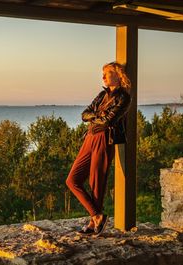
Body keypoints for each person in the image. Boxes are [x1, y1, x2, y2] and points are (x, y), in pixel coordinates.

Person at [65, 62, 131, 236]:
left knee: (97, 183)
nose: (103, 77)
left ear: (118, 75)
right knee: (72, 180)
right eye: (103, 73)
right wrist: (97, 116)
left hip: (104, 139)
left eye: (107, 73)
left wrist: (96, 117)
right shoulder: (102, 94)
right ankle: (97, 216)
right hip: (89, 138)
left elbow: (109, 120)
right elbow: (84, 115)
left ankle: (94, 224)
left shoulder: (124, 97)